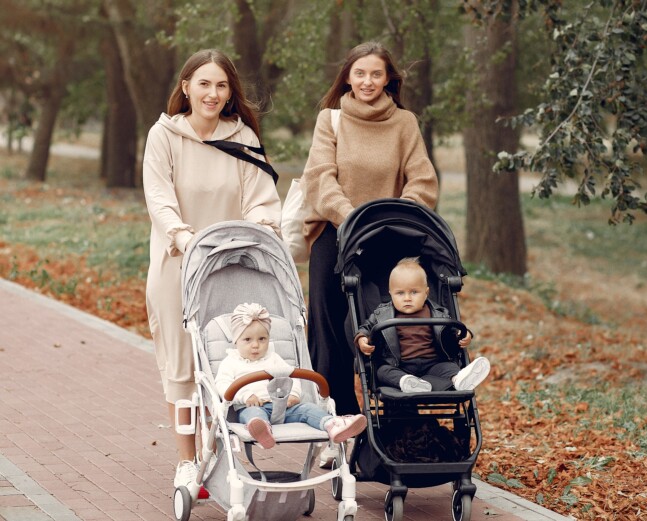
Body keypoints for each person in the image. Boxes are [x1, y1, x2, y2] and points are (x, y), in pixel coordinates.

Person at [143, 49, 281, 490]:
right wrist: (183, 237)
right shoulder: (164, 136)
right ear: (186, 87)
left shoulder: (242, 137)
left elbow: (260, 197)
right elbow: (159, 196)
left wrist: (261, 224)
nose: (212, 93)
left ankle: (214, 450)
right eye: (203, 83)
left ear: (230, 92)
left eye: (221, 85)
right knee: (183, 367)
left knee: (228, 357)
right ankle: (188, 460)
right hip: (177, 265)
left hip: (229, 267)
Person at [302, 41, 439, 420]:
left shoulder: (404, 123)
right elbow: (320, 178)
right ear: (347, 76)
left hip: (387, 240)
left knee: (385, 329)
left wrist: (392, 218)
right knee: (330, 334)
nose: (367, 81)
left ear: (388, 78)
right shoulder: (330, 119)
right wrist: (352, 219)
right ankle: (337, 419)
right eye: (360, 73)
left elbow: (422, 181)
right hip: (335, 235)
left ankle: (393, 418)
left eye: (376, 73)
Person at [215, 303, 367, 449]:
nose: (255, 345)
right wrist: (245, 396)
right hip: (253, 406)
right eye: (247, 340)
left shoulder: (273, 358)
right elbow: (222, 384)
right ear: (236, 341)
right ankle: (262, 431)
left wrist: (293, 394)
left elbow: (291, 375)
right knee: (254, 415)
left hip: (284, 407)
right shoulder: (231, 362)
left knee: (308, 409)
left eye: (262, 339)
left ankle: (333, 425)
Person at [355, 257, 491, 393]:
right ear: (391, 294)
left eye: (414, 292)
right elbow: (366, 328)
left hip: (433, 364)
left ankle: (459, 380)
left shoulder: (438, 313)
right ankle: (406, 381)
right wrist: (362, 338)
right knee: (382, 371)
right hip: (399, 365)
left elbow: (453, 330)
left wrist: (465, 334)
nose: (407, 298)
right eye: (400, 293)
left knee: (450, 368)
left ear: (426, 293)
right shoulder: (382, 314)